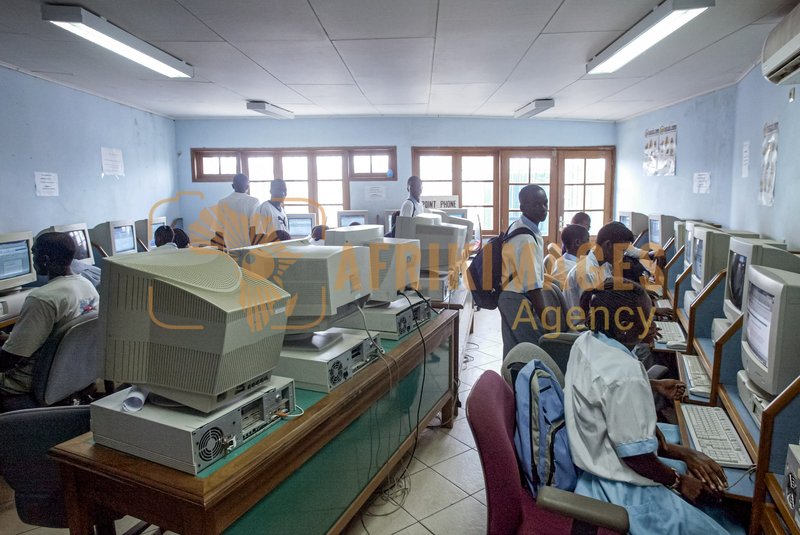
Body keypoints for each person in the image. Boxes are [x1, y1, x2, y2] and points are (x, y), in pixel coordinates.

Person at [564, 278, 730, 534]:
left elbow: (603, 386)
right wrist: (679, 481)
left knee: (683, 449)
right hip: (621, 486)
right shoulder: (625, 373)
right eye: (648, 318)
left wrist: (651, 384)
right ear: (625, 326)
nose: (653, 325)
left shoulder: (586, 341)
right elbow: (637, 458)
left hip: (592, 459)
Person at [0, 232, 99, 397]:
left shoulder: (42, 299)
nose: (32, 259)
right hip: (70, 374)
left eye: (33, 253)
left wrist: (9, 346)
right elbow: (54, 339)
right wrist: (8, 339)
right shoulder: (86, 285)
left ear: (44, 259)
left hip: (28, 382)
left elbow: (8, 360)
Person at [497, 185, 548, 353]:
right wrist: (546, 320)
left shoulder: (518, 226)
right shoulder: (526, 238)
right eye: (537, 204)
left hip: (507, 296)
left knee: (513, 350)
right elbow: (533, 286)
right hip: (517, 300)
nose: (543, 209)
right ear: (523, 207)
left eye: (545, 203)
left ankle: (509, 380)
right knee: (534, 349)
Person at [564, 221, 633, 309]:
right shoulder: (587, 273)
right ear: (608, 245)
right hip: (583, 321)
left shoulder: (604, 264)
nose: (622, 256)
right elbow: (594, 311)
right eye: (622, 251)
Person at [216, 173, 259, 250]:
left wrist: (220, 251)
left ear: (232, 186)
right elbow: (254, 228)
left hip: (229, 248)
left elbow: (219, 229)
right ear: (247, 187)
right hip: (248, 247)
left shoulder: (222, 202)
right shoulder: (254, 201)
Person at [552, 224, 590, 288]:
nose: (589, 245)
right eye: (587, 240)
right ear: (577, 243)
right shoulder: (577, 271)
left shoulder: (559, 261)